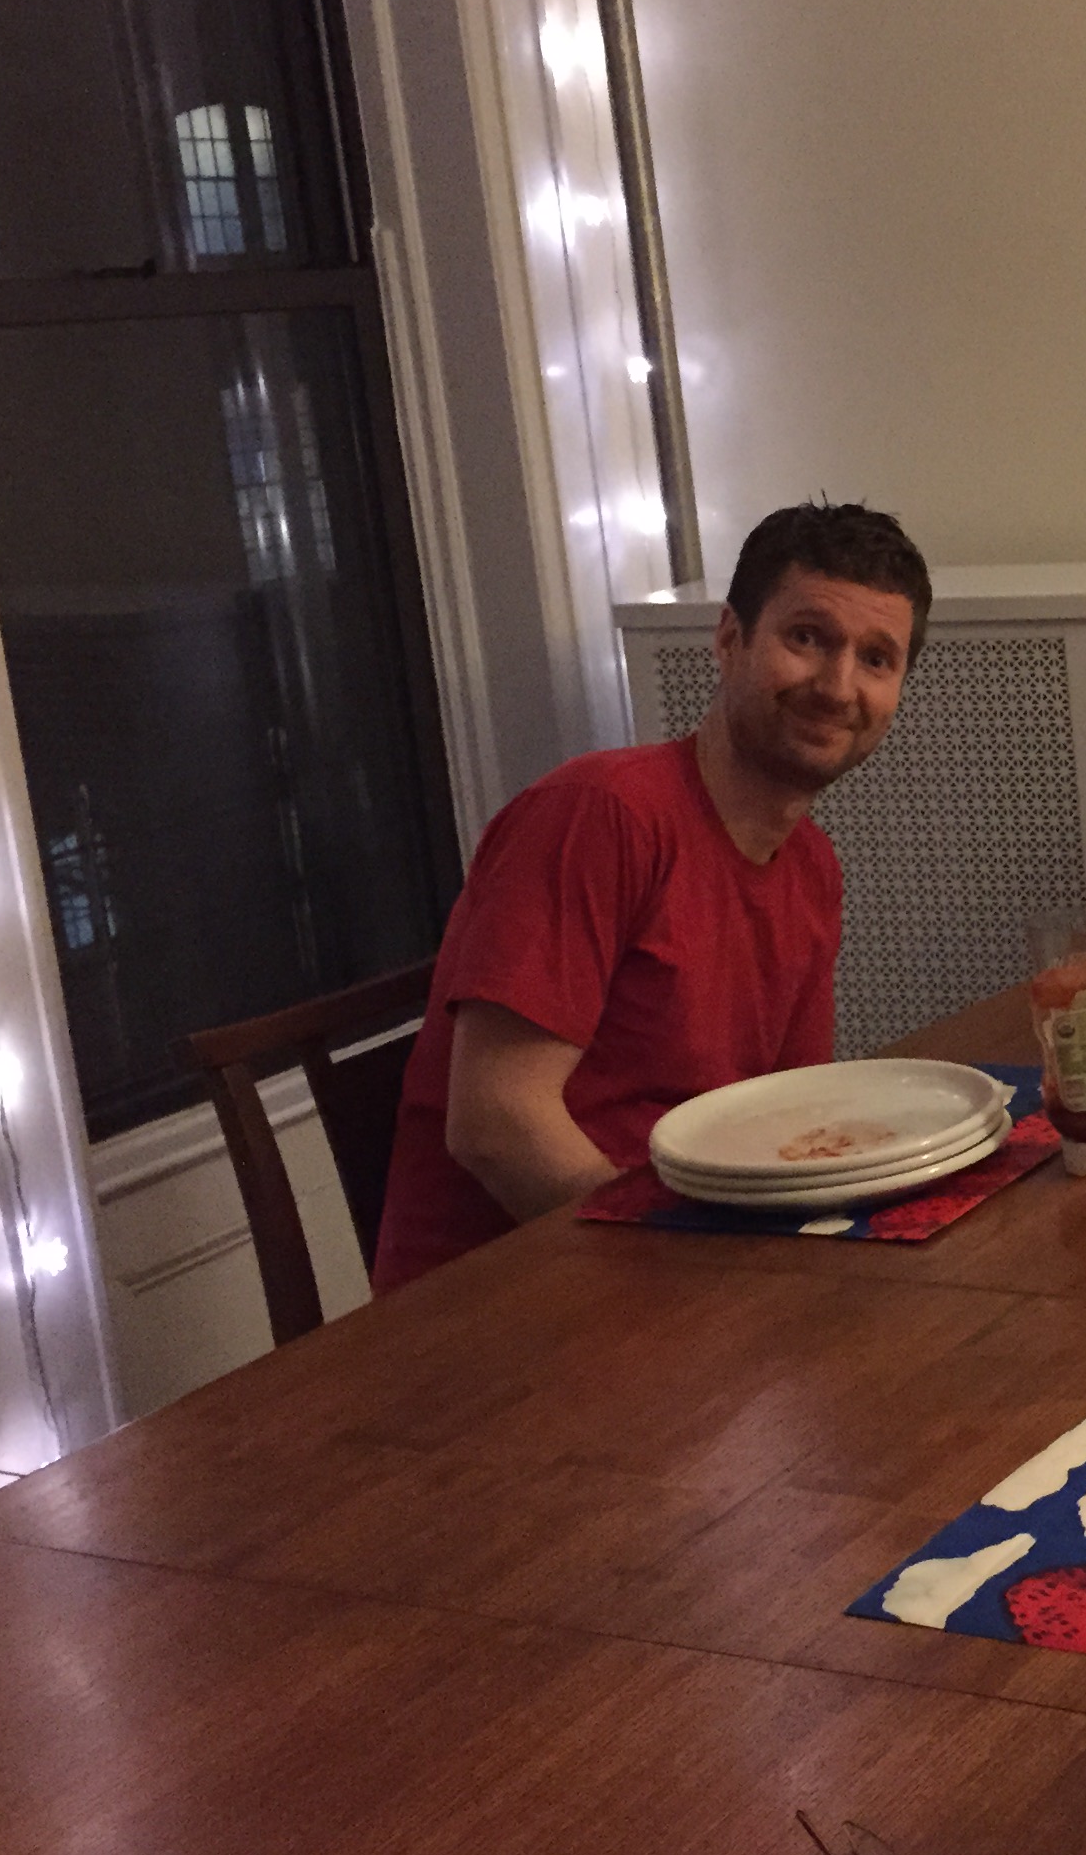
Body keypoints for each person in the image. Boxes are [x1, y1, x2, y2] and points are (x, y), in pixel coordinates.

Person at [368, 502, 932, 1293]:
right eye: (807, 638)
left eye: (876, 659)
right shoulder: (600, 815)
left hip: (678, 1270)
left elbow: (786, 1117)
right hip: (505, 1304)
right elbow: (496, 1122)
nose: (838, 687)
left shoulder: (812, 867)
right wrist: (678, 1277)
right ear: (729, 640)